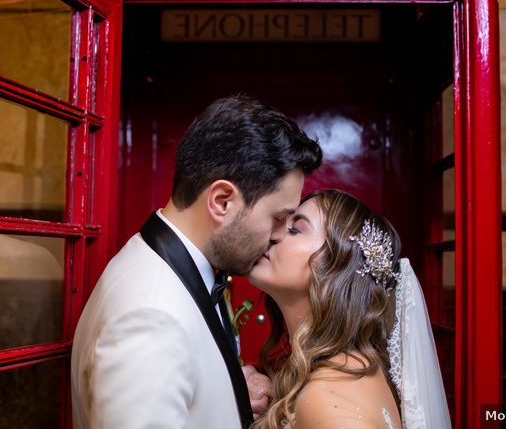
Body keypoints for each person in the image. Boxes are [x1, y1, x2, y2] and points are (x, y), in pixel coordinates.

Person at [71, 95, 323, 429]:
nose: (279, 235)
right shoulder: (150, 318)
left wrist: (226, 395)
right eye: (278, 217)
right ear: (222, 202)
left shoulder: (176, 271)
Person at [248, 189, 451, 429]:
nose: (273, 232)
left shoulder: (324, 401)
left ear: (336, 272)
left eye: (295, 229)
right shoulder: (351, 368)